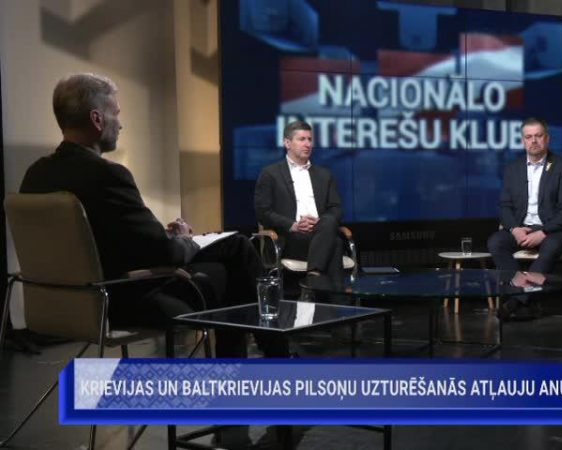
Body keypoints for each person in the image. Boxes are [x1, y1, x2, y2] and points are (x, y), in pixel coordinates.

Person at [19, 73, 274, 357]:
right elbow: (167, 254)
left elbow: (104, 239)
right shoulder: (107, 175)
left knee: (231, 255)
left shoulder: (35, 176)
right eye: (116, 113)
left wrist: (162, 237)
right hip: (121, 300)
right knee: (237, 252)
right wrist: (183, 238)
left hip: (64, 302)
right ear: (97, 119)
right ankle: (271, 355)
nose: (120, 124)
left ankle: (248, 363)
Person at [487, 118, 562, 318]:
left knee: (551, 247)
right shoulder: (513, 168)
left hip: (552, 230)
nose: (533, 141)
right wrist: (514, 229)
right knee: (496, 242)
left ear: (547, 139)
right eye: (528, 137)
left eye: (538, 136)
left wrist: (543, 232)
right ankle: (525, 300)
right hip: (522, 228)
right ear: (523, 141)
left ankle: (515, 302)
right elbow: (505, 206)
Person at [254, 120, 345, 280]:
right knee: (335, 243)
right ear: (287, 143)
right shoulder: (270, 174)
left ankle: (314, 277)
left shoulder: (324, 174)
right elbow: (263, 212)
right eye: (302, 139)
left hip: (321, 232)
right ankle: (328, 290)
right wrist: (293, 225)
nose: (308, 144)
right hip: (290, 239)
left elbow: (336, 208)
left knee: (329, 224)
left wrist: (320, 222)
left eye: (309, 139)